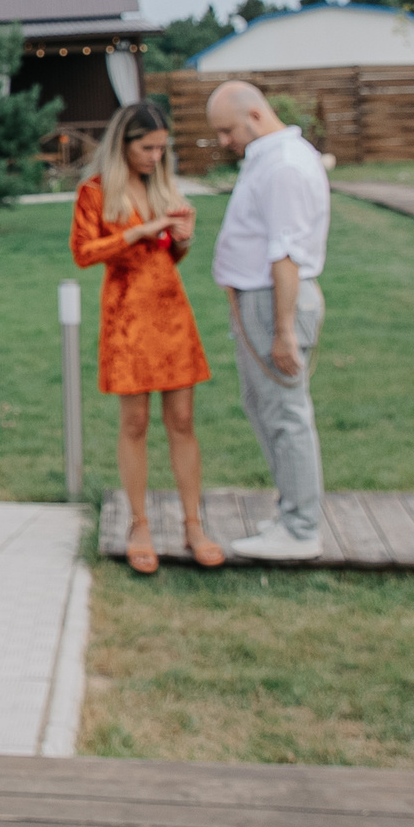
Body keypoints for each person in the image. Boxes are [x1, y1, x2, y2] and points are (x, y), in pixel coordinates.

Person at [70, 102, 219, 573]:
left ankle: (193, 523)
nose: (156, 157)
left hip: (171, 314)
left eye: (161, 148)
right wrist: (139, 232)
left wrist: (181, 238)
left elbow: (167, 259)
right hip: (126, 319)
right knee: (135, 423)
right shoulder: (94, 192)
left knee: (182, 420)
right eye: (147, 148)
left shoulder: (162, 186)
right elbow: (83, 253)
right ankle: (139, 523)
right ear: (124, 144)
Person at [206, 79, 331, 562]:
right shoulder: (268, 158)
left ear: (255, 116)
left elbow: (286, 254)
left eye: (226, 130)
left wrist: (282, 330)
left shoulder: (283, 166)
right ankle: (290, 510)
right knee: (266, 409)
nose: (223, 142)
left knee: (286, 414)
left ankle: (301, 529)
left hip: (274, 303)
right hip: (257, 301)